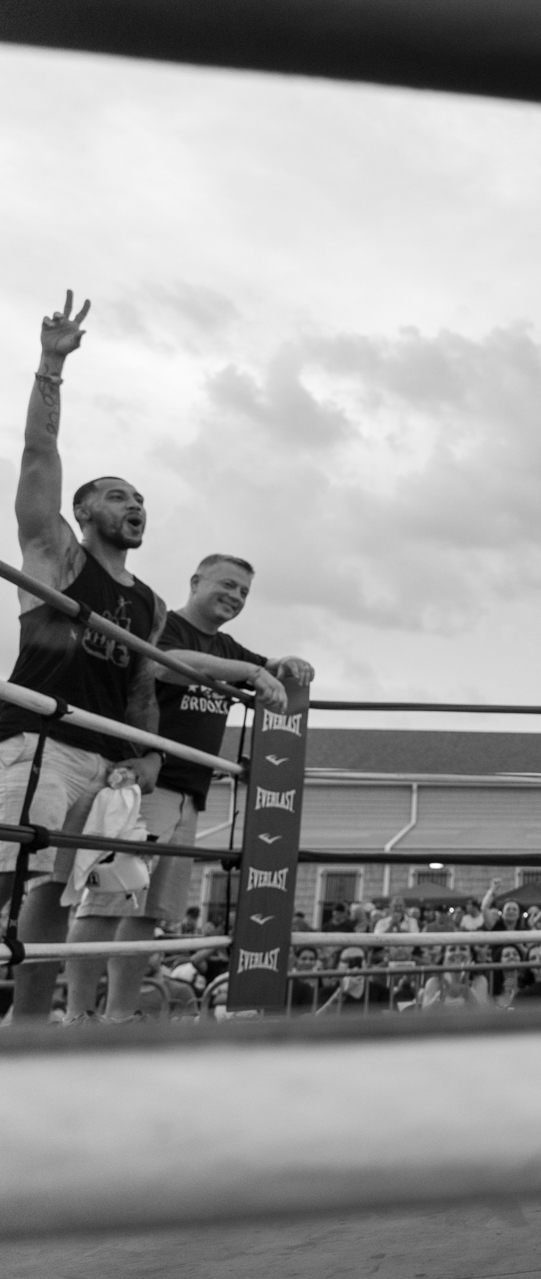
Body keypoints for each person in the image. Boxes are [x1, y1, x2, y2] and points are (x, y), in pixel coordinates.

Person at [0, 293, 169, 1023]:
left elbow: (143, 687)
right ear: (84, 508)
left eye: (139, 498)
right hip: (40, 738)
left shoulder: (151, 603)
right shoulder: (57, 556)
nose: (133, 504)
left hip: (105, 764)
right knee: (16, 881)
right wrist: (50, 365)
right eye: (117, 494)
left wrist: (148, 757)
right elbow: (39, 456)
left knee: (68, 895)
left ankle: (34, 1025)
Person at [65, 552, 311, 1022]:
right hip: (141, 788)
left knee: (145, 916)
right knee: (106, 903)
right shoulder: (166, 625)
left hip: (189, 795)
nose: (236, 596)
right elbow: (165, 664)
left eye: (244, 591)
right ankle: (77, 1017)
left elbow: (268, 666)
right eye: (228, 584)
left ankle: (118, 1019)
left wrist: (288, 664)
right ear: (196, 581)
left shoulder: (229, 650)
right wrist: (252, 672)